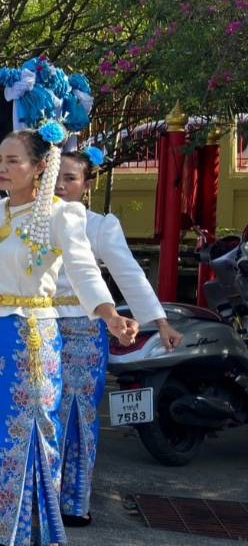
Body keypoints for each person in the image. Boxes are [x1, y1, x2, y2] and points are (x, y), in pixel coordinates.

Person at [0, 129, 138, 546]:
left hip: (28, 336)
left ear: (40, 166)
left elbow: (84, 271)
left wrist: (110, 315)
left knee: (33, 429)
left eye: (13, 161)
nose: (1, 168)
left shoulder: (61, 215)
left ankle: (41, 531)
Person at [52, 150, 179, 526]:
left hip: (82, 328)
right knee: (34, 413)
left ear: (87, 185)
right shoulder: (29, 219)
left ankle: (73, 502)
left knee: (77, 413)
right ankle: (35, 499)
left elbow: (128, 272)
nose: (60, 185)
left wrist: (160, 322)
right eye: (54, 176)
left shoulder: (98, 226)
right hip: (34, 326)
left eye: (70, 178)